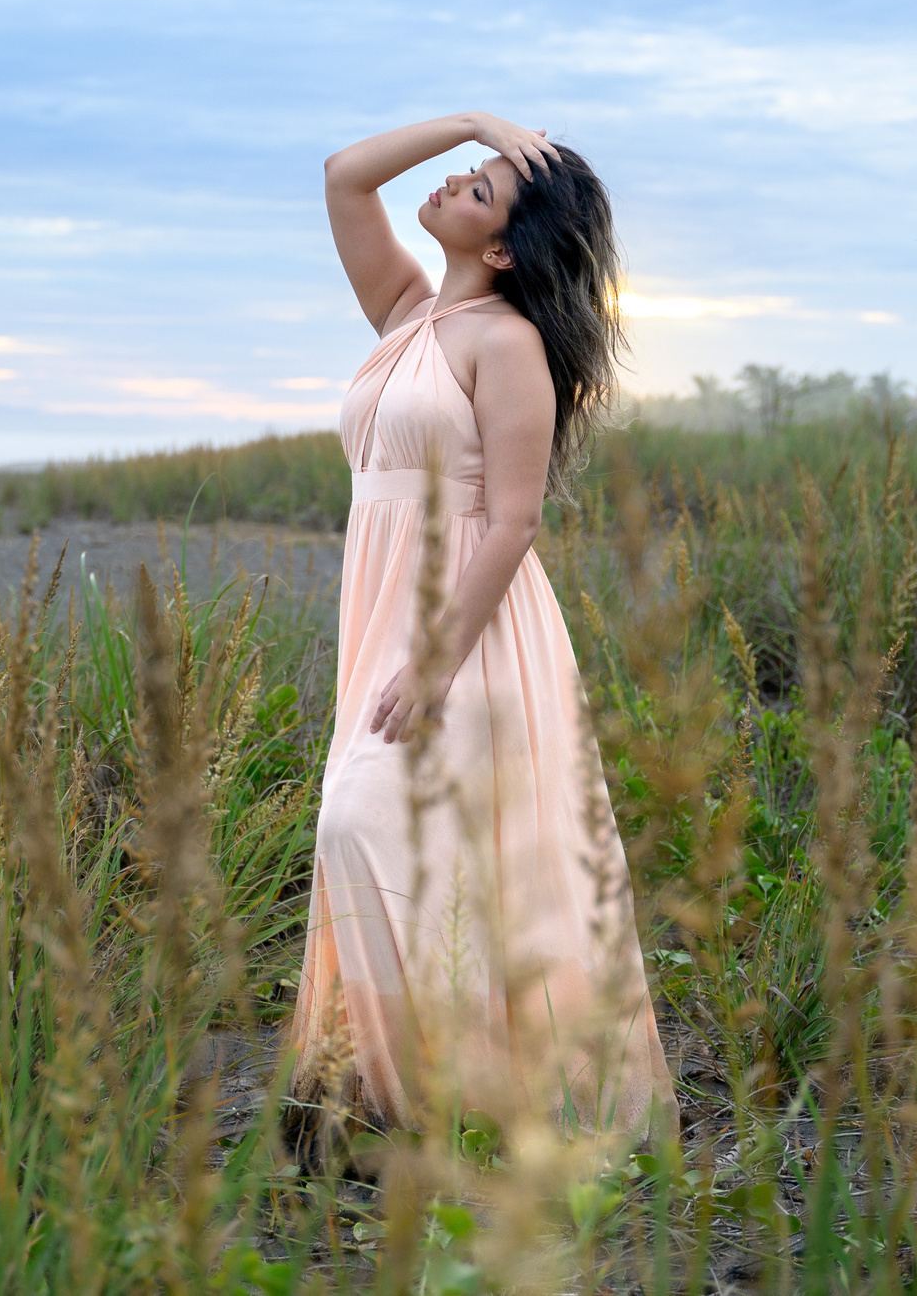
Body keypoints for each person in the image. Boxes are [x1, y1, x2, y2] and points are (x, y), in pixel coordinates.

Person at [287, 111, 674, 1150]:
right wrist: (467, 118)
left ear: (501, 246)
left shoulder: (507, 343)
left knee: (362, 822)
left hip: (465, 624)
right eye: (468, 171)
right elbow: (342, 177)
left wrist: (434, 661)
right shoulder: (410, 314)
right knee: (420, 839)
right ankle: (399, 1098)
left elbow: (513, 519)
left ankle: (429, 1094)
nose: (456, 178)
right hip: (384, 603)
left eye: (479, 186)